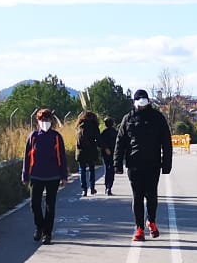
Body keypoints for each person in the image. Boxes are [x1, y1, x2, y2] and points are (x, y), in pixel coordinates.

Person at [114, 89, 173, 241]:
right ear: (135, 103)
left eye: (144, 104)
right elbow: (120, 142)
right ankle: (139, 228)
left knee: (152, 195)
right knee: (137, 196)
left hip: (153, 164)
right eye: (140, 104)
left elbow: (166, 142)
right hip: (134, 164)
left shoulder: (157, 118)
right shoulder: (128, 119)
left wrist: (166, 164)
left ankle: (151, 221)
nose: (142, 106)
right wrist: (117, 164)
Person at [21, 108, 69, 243]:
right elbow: (27, 157)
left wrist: (64, 176)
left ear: (51, 121)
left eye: (47, 119)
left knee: (50, 205)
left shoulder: (56, 137)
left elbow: (62, 157)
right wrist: (25, 174)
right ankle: (39, 227)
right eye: (42, 119)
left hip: (53, 176)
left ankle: (47, 233)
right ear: (38, 121)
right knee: (34, 204)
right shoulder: (33, 136)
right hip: (36, 175)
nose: (45, 122)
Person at [74, 111, 103, 196]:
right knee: (91, 170)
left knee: (82, 170)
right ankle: (92, 188)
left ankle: (84, 189)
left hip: (81, 151)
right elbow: (98, 139)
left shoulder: (79, 126)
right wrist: (101, 146)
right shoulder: (94, 126)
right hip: (91, 151)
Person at [97, 116, 119, 195]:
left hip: (105, 153)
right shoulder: (115, 132)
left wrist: (105, 148)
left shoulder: (104, 133)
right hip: (114, 153)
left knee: (106, 169)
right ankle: (109, 187)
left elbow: (99, 143)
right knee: (112, 170)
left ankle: (107, 186)